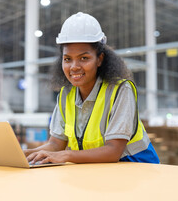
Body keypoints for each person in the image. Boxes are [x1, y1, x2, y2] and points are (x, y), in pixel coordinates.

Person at [24, 12, 160, 164]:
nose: (74, 67)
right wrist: (24, 154)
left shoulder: (120, 90)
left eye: (84, 58)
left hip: (137, 170)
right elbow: (56, 144)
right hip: (97, 169)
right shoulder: (65, 95)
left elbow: (113, 151)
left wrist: (67, 155)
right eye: (67, 59)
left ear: (99, 59)